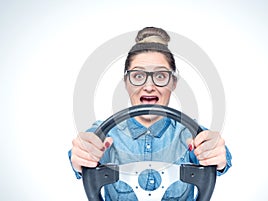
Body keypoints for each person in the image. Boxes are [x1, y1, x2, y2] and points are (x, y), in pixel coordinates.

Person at [68, 27, 232, 200]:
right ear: (126, 83)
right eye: (138, 76)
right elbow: (84, 147)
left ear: (173, 83)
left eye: (160, 76)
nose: (148, 86)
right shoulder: (106, 132)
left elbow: (217, 153)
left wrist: (216, 154)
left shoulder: (190, 132)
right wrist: (82, 153)